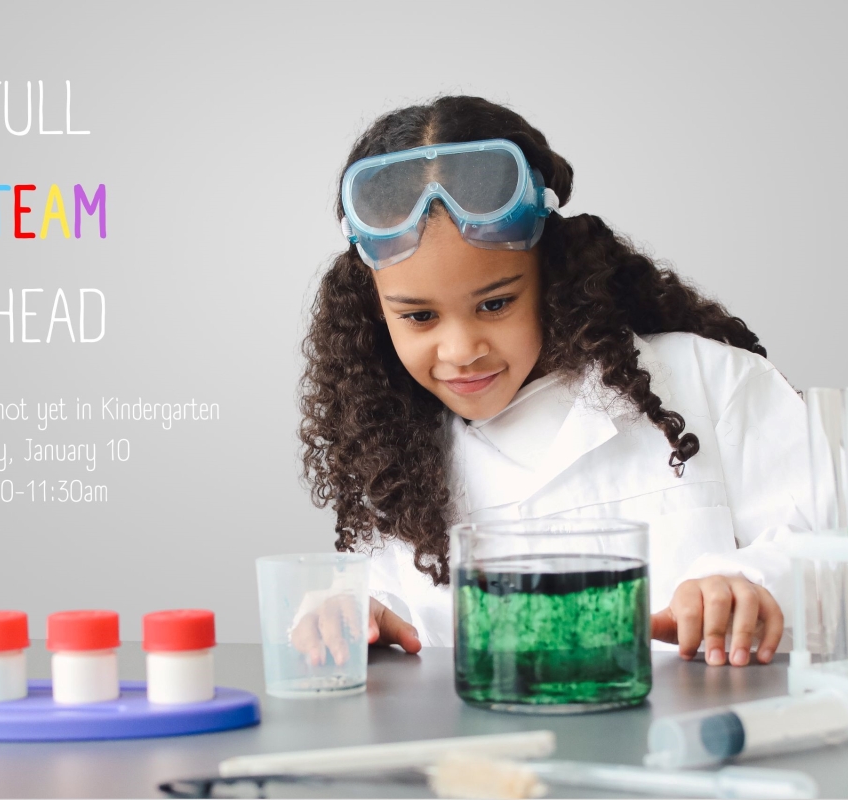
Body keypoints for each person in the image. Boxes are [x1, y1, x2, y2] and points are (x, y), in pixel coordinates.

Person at [297, 96, 812, 668]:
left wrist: (748, 581)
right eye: (419, 317)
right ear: (375, 312)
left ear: (550, 273)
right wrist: (355, 613)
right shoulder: (392, 463)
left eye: (495, 303)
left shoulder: (710, 382)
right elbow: (397, 616)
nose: (462, 351)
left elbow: (840, 543)